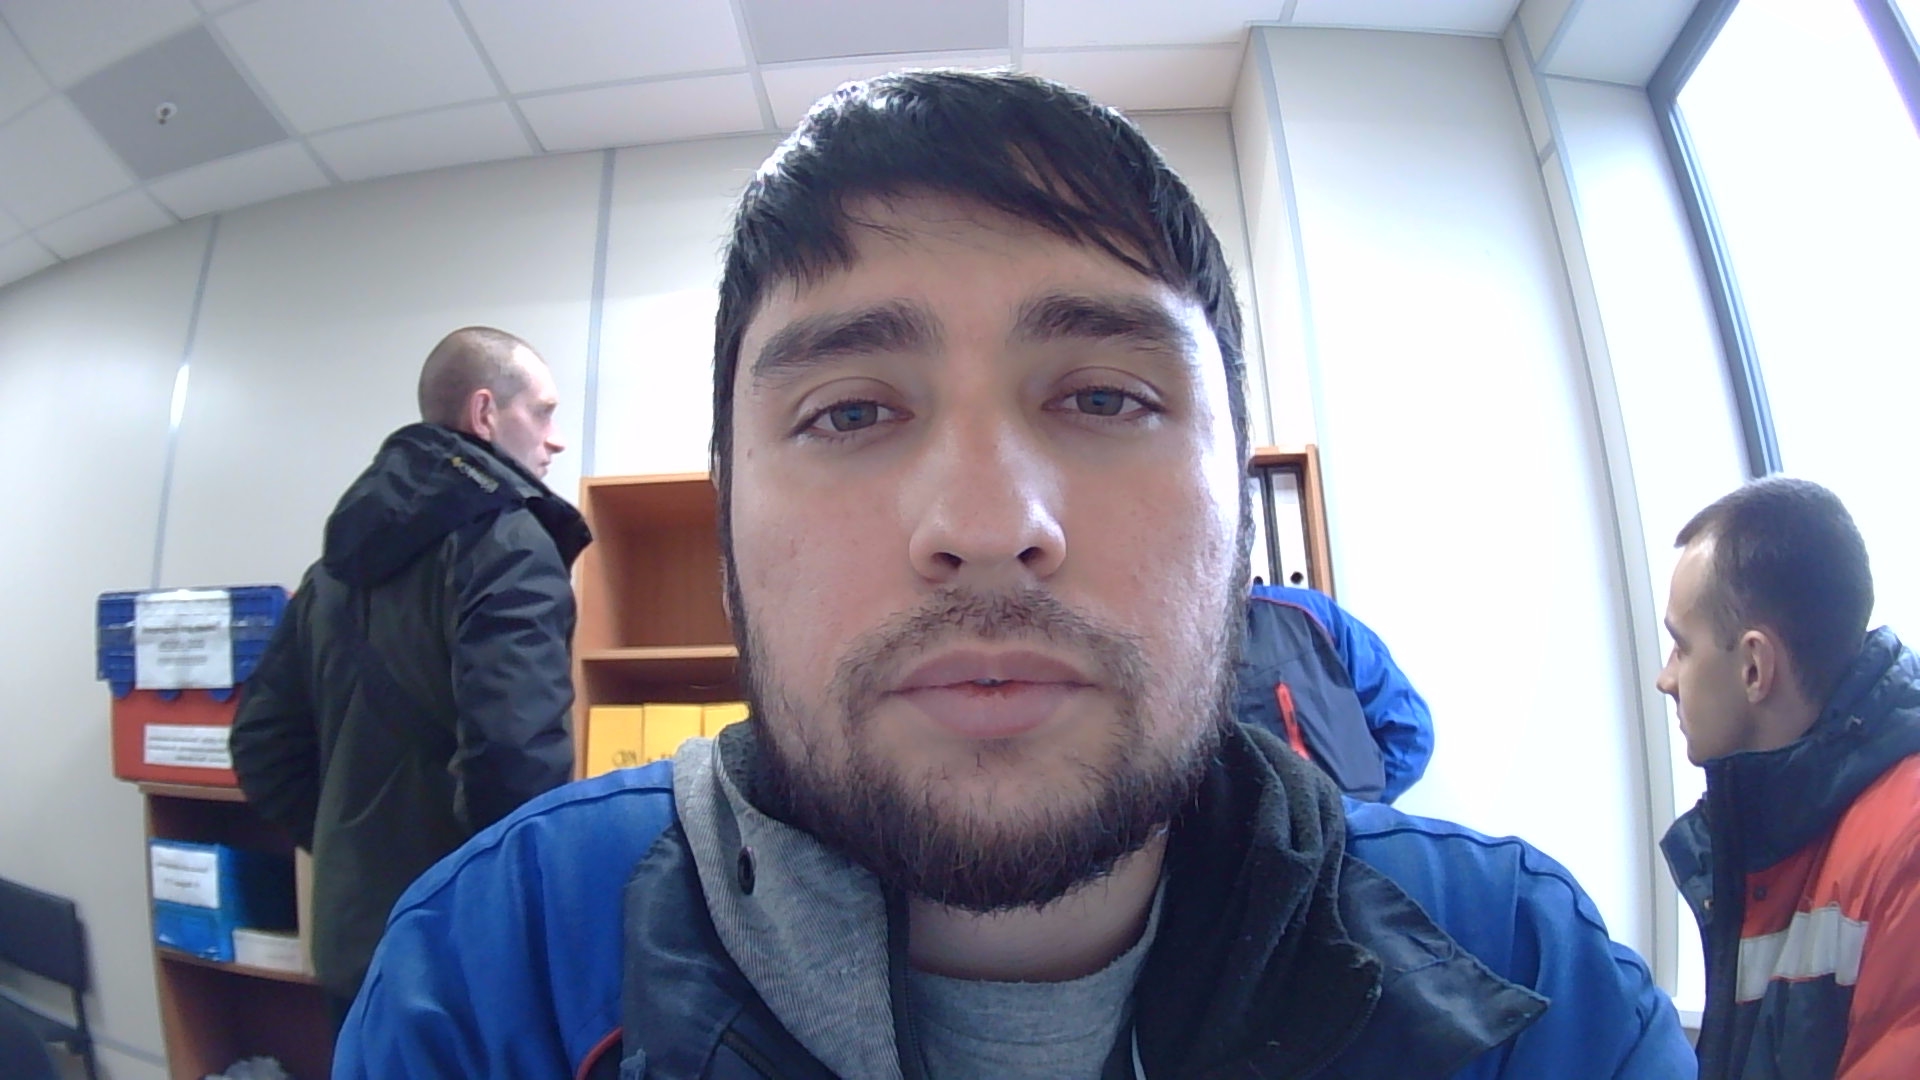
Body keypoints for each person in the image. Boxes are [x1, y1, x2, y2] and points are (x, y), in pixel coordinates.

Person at [336, 73, 1689, 1078]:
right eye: (850, 412)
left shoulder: (1533, 983)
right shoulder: (495, 971)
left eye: (1104, 396)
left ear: (1239, 506)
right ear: (730, 525)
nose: (988, 525)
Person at [229, 326, 589, 1025]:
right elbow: (516, 763)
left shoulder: (331, 570)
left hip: (352, 942)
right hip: (459, 955)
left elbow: (261, 748)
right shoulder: (510, 545)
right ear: (485, 413)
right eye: (543, 412)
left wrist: (353, 846)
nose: (557, 439)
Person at [1655, 477, 1920, 1078]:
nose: (1665, 678)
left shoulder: (1903, 844)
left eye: (1682, 647)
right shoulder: (1782, 837)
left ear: (1754, 666)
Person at [1239, 583, 1433, 802]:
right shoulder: (1305, 612)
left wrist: (1360, 810)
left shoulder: (1307, 614)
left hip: (1337, 813)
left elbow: (1409, 731)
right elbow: (1410, 731)